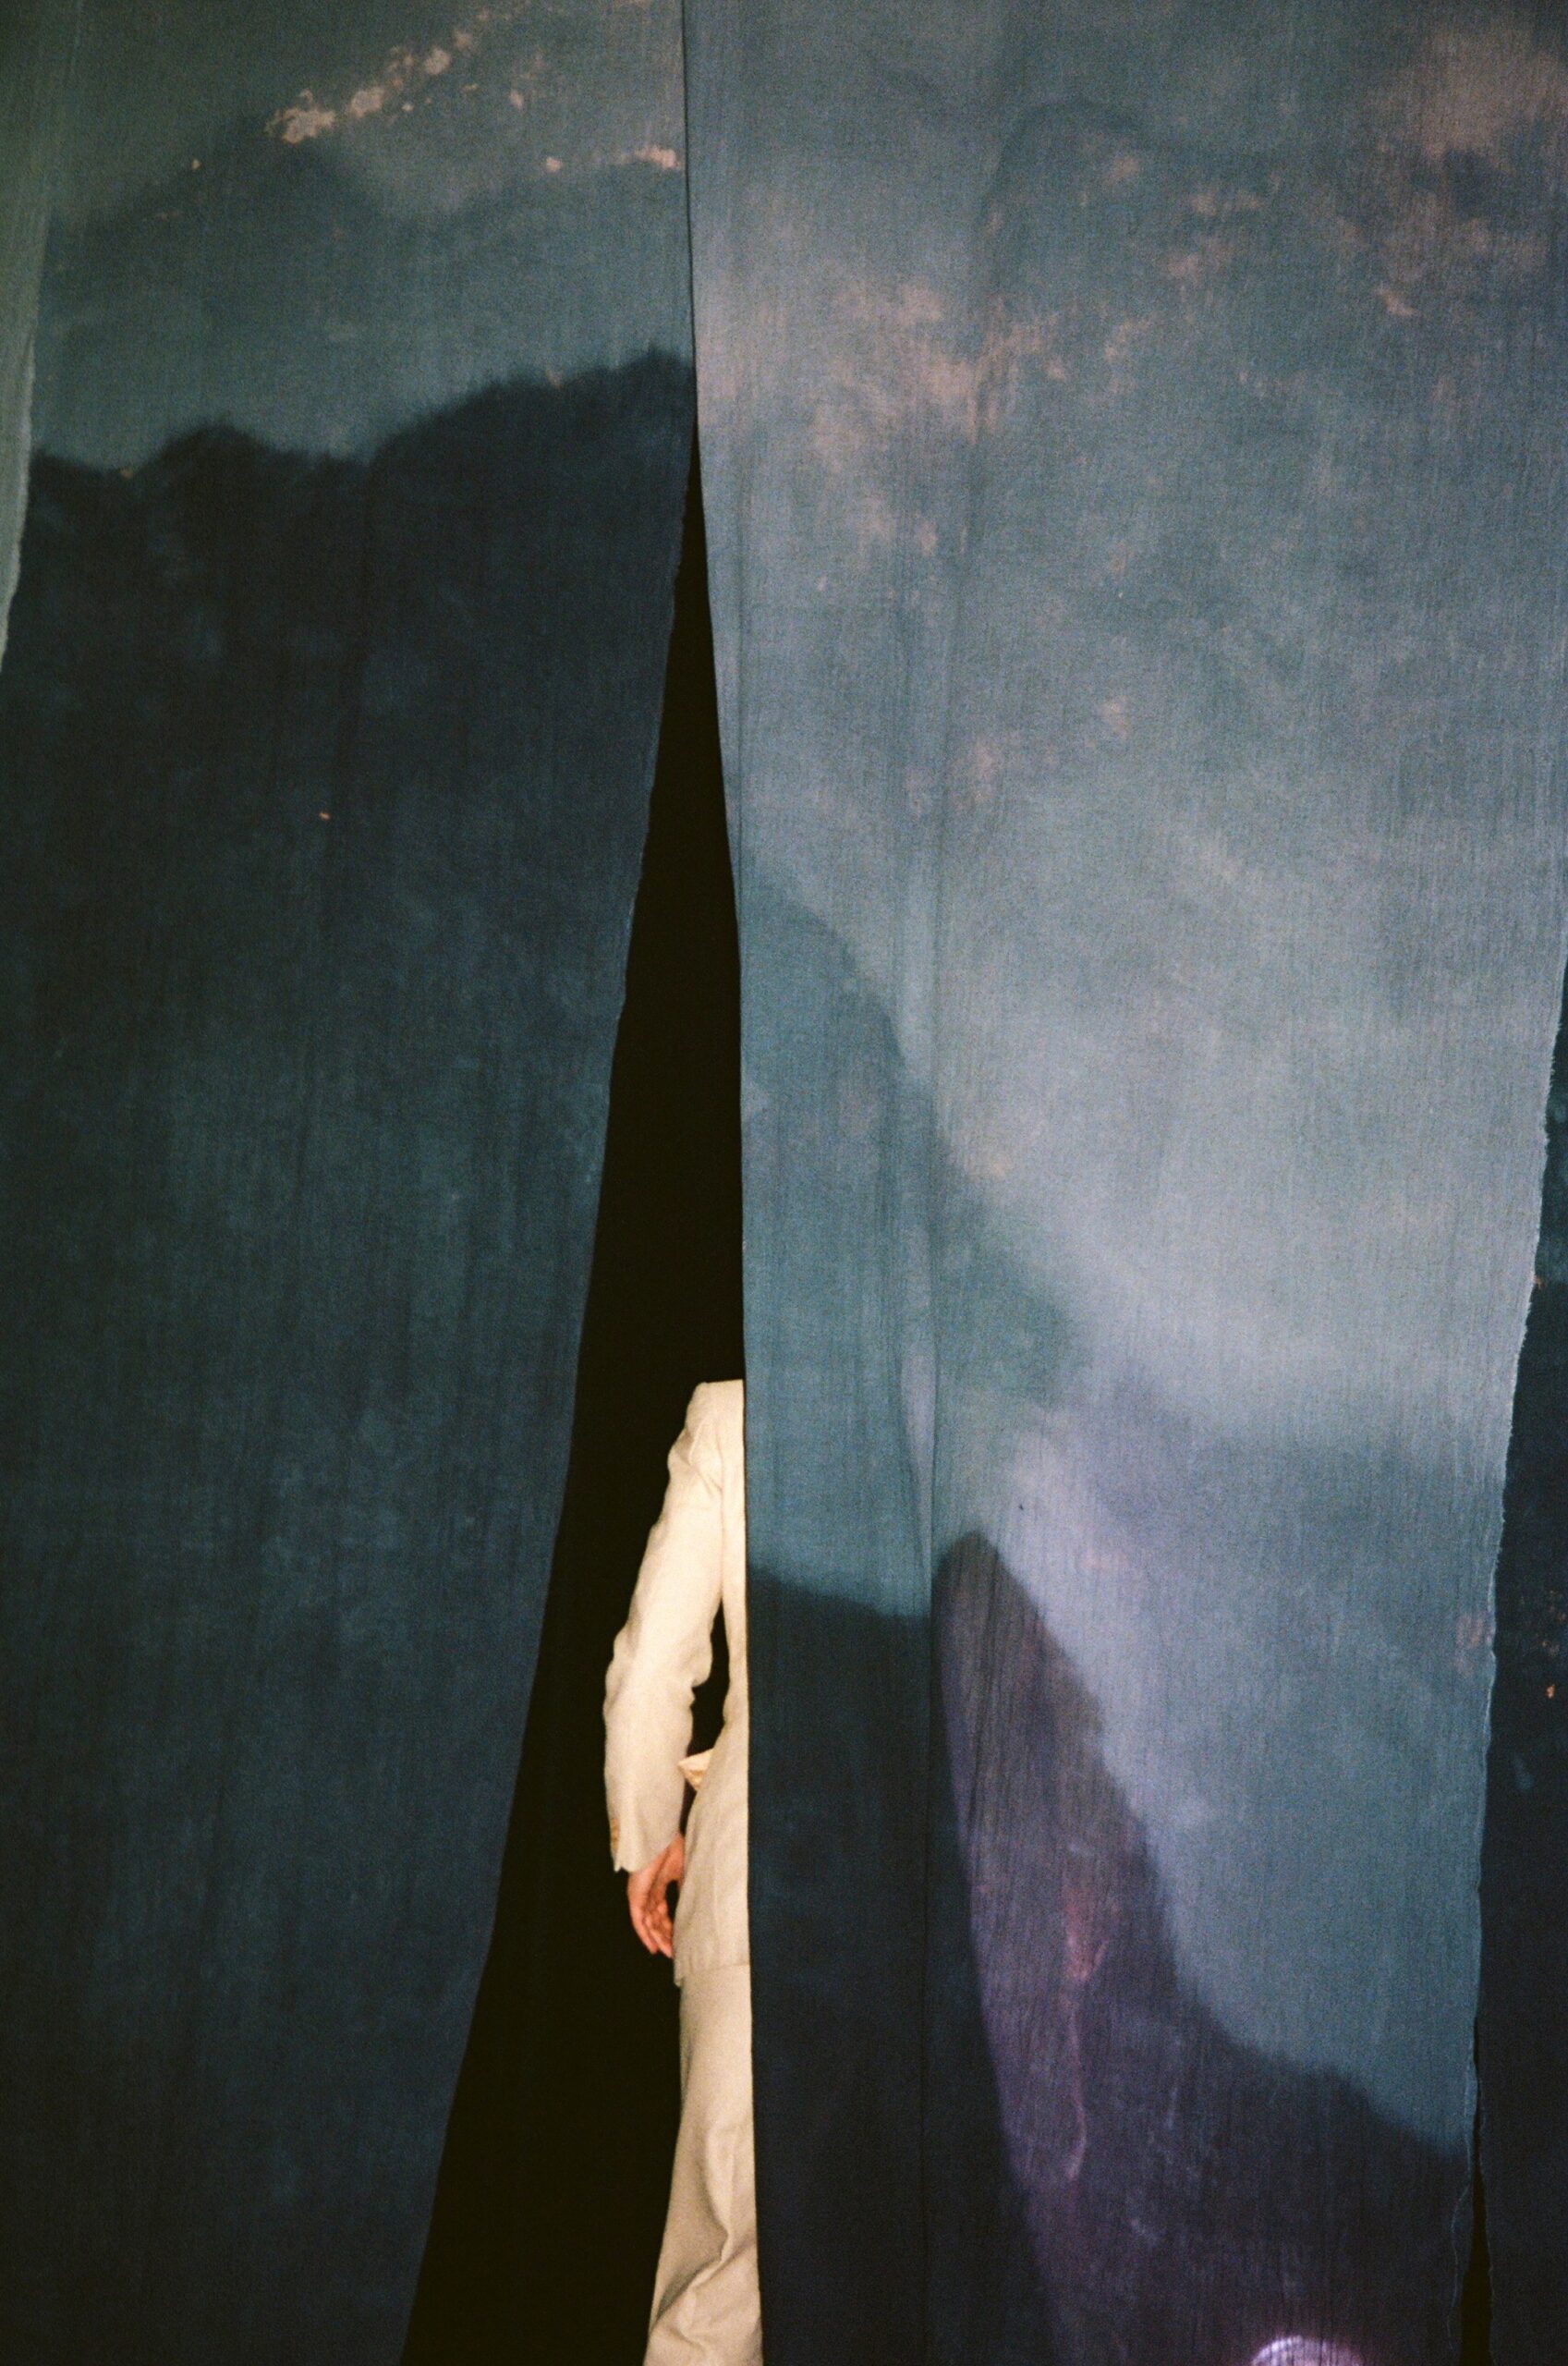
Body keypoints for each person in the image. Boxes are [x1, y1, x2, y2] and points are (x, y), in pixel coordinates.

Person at [604, 1377, 759, 2364]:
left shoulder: (735, 1417)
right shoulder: (997, 1396)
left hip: (757, 1871)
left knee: (728, 2265)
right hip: (962, 1891)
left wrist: (653, 1833)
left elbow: (655, 1657)